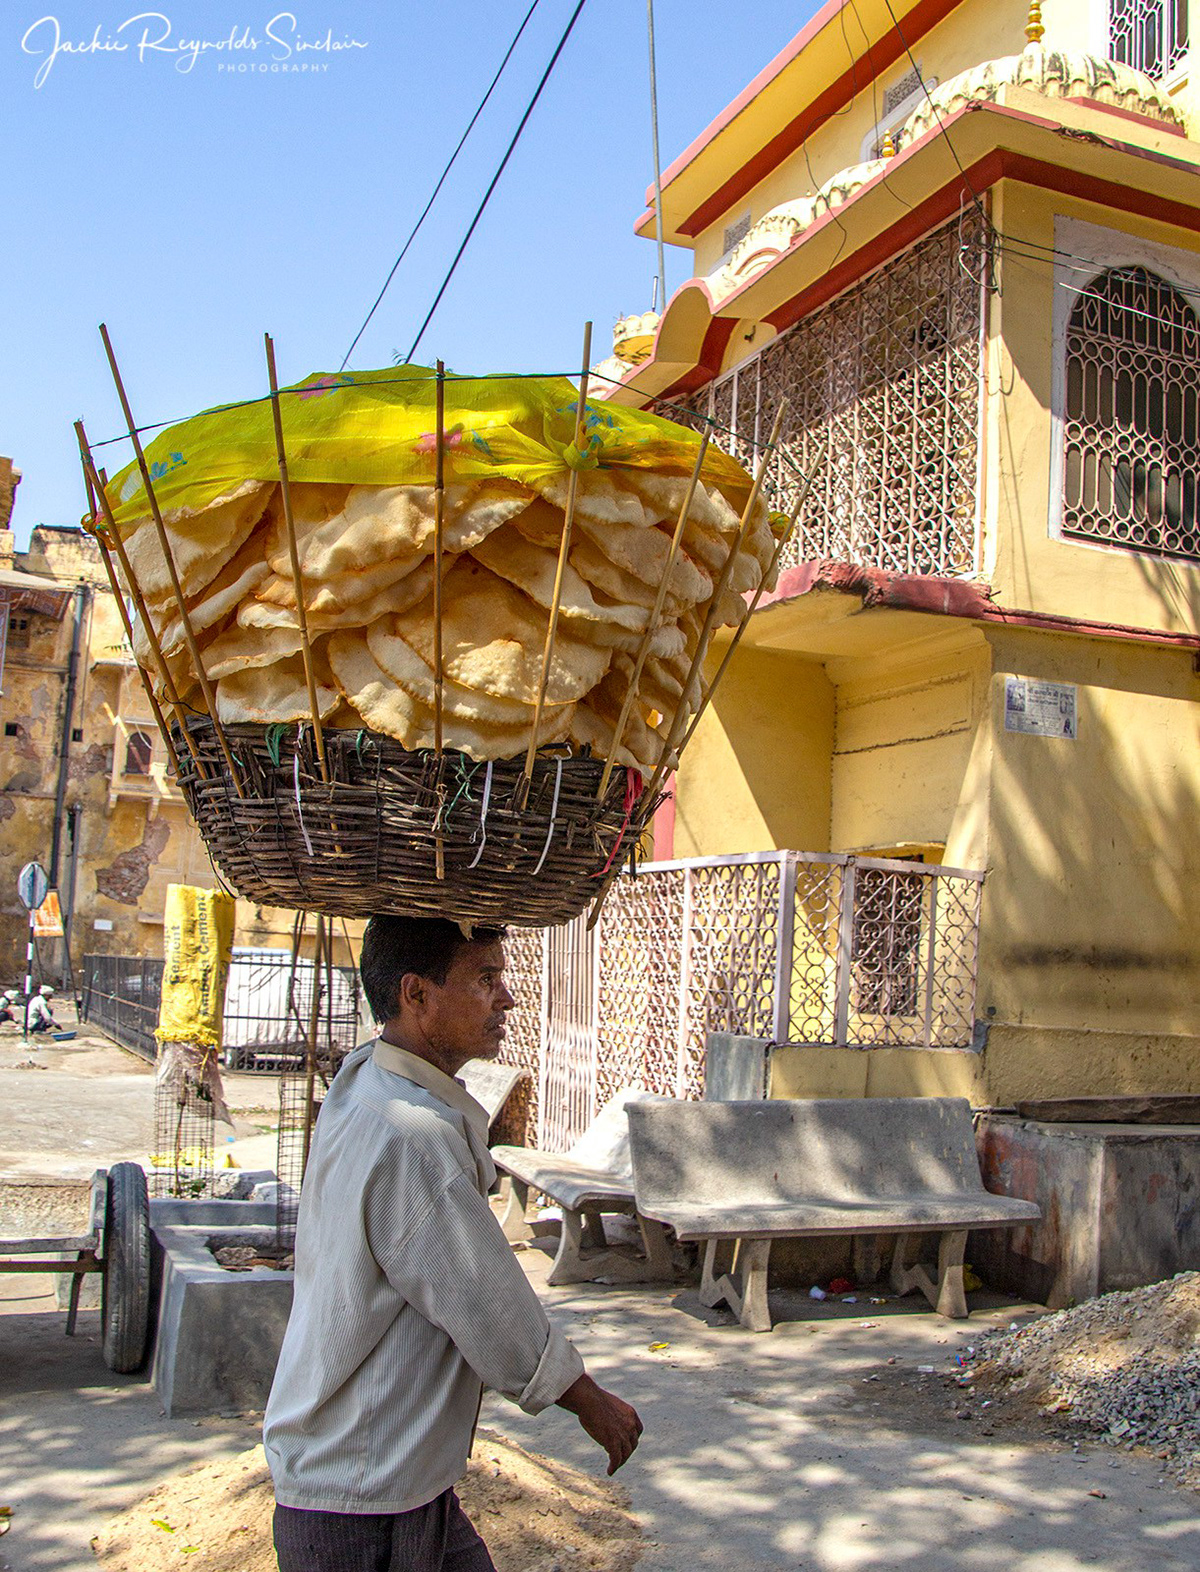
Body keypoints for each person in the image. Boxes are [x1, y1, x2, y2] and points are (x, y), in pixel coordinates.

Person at [264, 915, 642, 1572]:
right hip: (363, 1496)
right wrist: (589, 1401)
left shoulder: (366, 1078)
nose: (507, 998)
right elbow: (484, 1301)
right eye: (484, 979)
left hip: (395, 1477)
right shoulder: (414, 1136)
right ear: (416, 995)